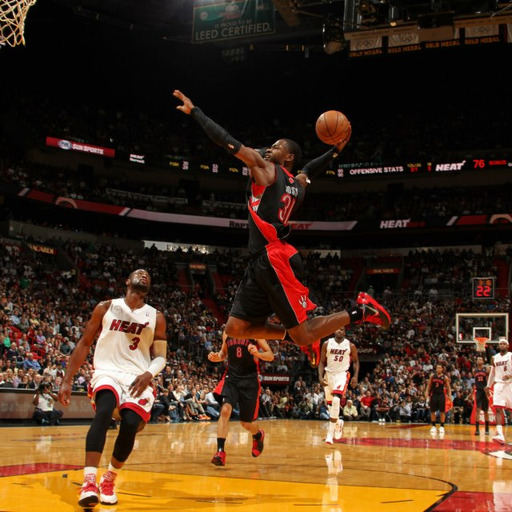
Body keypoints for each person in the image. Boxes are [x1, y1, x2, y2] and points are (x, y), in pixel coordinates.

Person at [173, 90, 391, 368]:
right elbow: (310, 170)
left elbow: (226, 141)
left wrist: (196, 112)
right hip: (260, 261)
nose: (269, 148)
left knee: (306, 334)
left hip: (274, 258)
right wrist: (334, 151)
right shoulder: (297, 185)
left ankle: (360, 311)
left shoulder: (265, 168)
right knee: (236, 328)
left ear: (287, 157)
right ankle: (291, 336)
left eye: (275, 146)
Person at [58, 269, 167, 508]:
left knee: (130, 424)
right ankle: (89, 481)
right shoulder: (106, 307)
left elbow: (160, 357)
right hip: (107, 371)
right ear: (127, 281)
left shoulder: (156, 316)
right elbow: (85, 343)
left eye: (148, 274)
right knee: (105, 409)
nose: (144, 275)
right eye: (138, 273)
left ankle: (109, 479)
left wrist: (149, 373)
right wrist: (67, 380)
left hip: (138, 376)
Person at [208, 331, 274, 466]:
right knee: (225, 411)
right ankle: (220, 452)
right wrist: (217, 357)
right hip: (232, 378)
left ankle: (258, 435)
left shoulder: (254, 331)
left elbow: (270, 355)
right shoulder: (227, 332)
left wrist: (258, 354)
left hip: (249, 380)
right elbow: (223, 353)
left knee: (246, 423)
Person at [318, 326, 359, 444]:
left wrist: (355, 376)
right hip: (328, 375)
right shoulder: (327, 344)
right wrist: (320, 377)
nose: (338, 331)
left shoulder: (350, 346)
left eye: (341, 329)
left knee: (336, 400)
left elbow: (356, 361)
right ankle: (338, 423)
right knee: (331, 406)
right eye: (336, 329)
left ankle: (329, 434)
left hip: (342, 374)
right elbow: (321, 362)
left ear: (345, 332)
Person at [485, 337, 512, 444]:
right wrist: (488, 385)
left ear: (507, 346)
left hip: (510, 384)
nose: (502, 345)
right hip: (499, 385)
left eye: (504, 344)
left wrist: (510, 375)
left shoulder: (511, 355)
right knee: (498, 409)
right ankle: (500, 434)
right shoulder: (494, 358)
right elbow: (492, 373)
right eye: (500, 344)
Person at [426, 363, 452, 435]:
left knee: (442, 411)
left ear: (442, 369)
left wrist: (449, 396)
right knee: (432, 411)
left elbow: (448, 388)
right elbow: (428, 386)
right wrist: (426, 395)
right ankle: (433, 426)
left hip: (441, 394)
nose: (438, 369)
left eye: (440, 368)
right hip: (434, 394)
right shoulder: (432, 376)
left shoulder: (445, 377)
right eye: (437, 368)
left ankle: (442, 426)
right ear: (436, 369)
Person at [473, 355, 490, 435]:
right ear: (476, 361)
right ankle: (477, 429)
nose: (479, 360)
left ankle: (487, 428)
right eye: (478, 359)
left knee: (486, 411)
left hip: (485, 391)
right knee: (478, 409)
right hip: (478, 391)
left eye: (480, 359)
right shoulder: (474, 370)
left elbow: (490, 375)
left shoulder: (486, 369)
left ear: (483, 361)